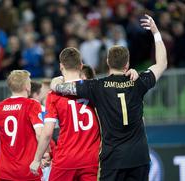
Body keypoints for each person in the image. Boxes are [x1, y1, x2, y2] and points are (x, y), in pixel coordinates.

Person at [50, 14, 167, 181]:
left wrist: (57, 80)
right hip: (139, 157)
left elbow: (59, 87)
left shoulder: (96, 87)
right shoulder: (138, 81)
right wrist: (155, 32)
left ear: (107, 61)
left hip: (113, 159)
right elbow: (162, 63)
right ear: (127, 64)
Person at [30, 47, 101, 181]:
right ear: (81, 65)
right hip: (91, 158)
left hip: (66, 158)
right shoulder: (95, 89)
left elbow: (47, 133)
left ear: (61, 66)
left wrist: (37, 159)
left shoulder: (54, 95)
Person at [0, 70, 44, 181]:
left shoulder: (1, 106)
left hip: (5, 171)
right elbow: (40, 134)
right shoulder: (32, 104)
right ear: (26, 86)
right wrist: (45, 154)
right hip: (28, 170)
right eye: (29, 82)